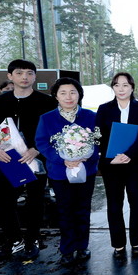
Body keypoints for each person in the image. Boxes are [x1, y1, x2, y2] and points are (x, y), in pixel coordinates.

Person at [0, 59, 57, 258]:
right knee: (5, 201)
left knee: (35, 201)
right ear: (10, 76)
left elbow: (54, 131)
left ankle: (33, 240)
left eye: (30, 73)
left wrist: (36, 149)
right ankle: (14, 240)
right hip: (7, 159)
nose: (25, 77)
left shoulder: (47, 102)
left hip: (35, 159)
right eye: (19, 73)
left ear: (35, 77)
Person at [35, 77, 99, 265]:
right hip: (59, 172)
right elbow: (41, 143)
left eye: (73, 92)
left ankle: (82, 246)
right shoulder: (47, 118)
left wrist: (86, 156)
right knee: (65, 210)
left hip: (86, 170)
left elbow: (98, 141)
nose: (68, 97)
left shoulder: (91, 116)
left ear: (79, 94)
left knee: (83, 209)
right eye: (63, 93)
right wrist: (62, 159)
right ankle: (67, 248)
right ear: (56, 96)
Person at [95, 72, 138, 258]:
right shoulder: (104, 109)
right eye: (117, 85)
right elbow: (98, 135)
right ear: (113, 87)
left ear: (132, 87)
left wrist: (128, 154)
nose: (121, 89)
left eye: (125, 85)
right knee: (114, 203)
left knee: (136, 202)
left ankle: (136, 242)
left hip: (136, 163)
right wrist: (110, 158)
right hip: (111, 163)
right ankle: (118, 244)